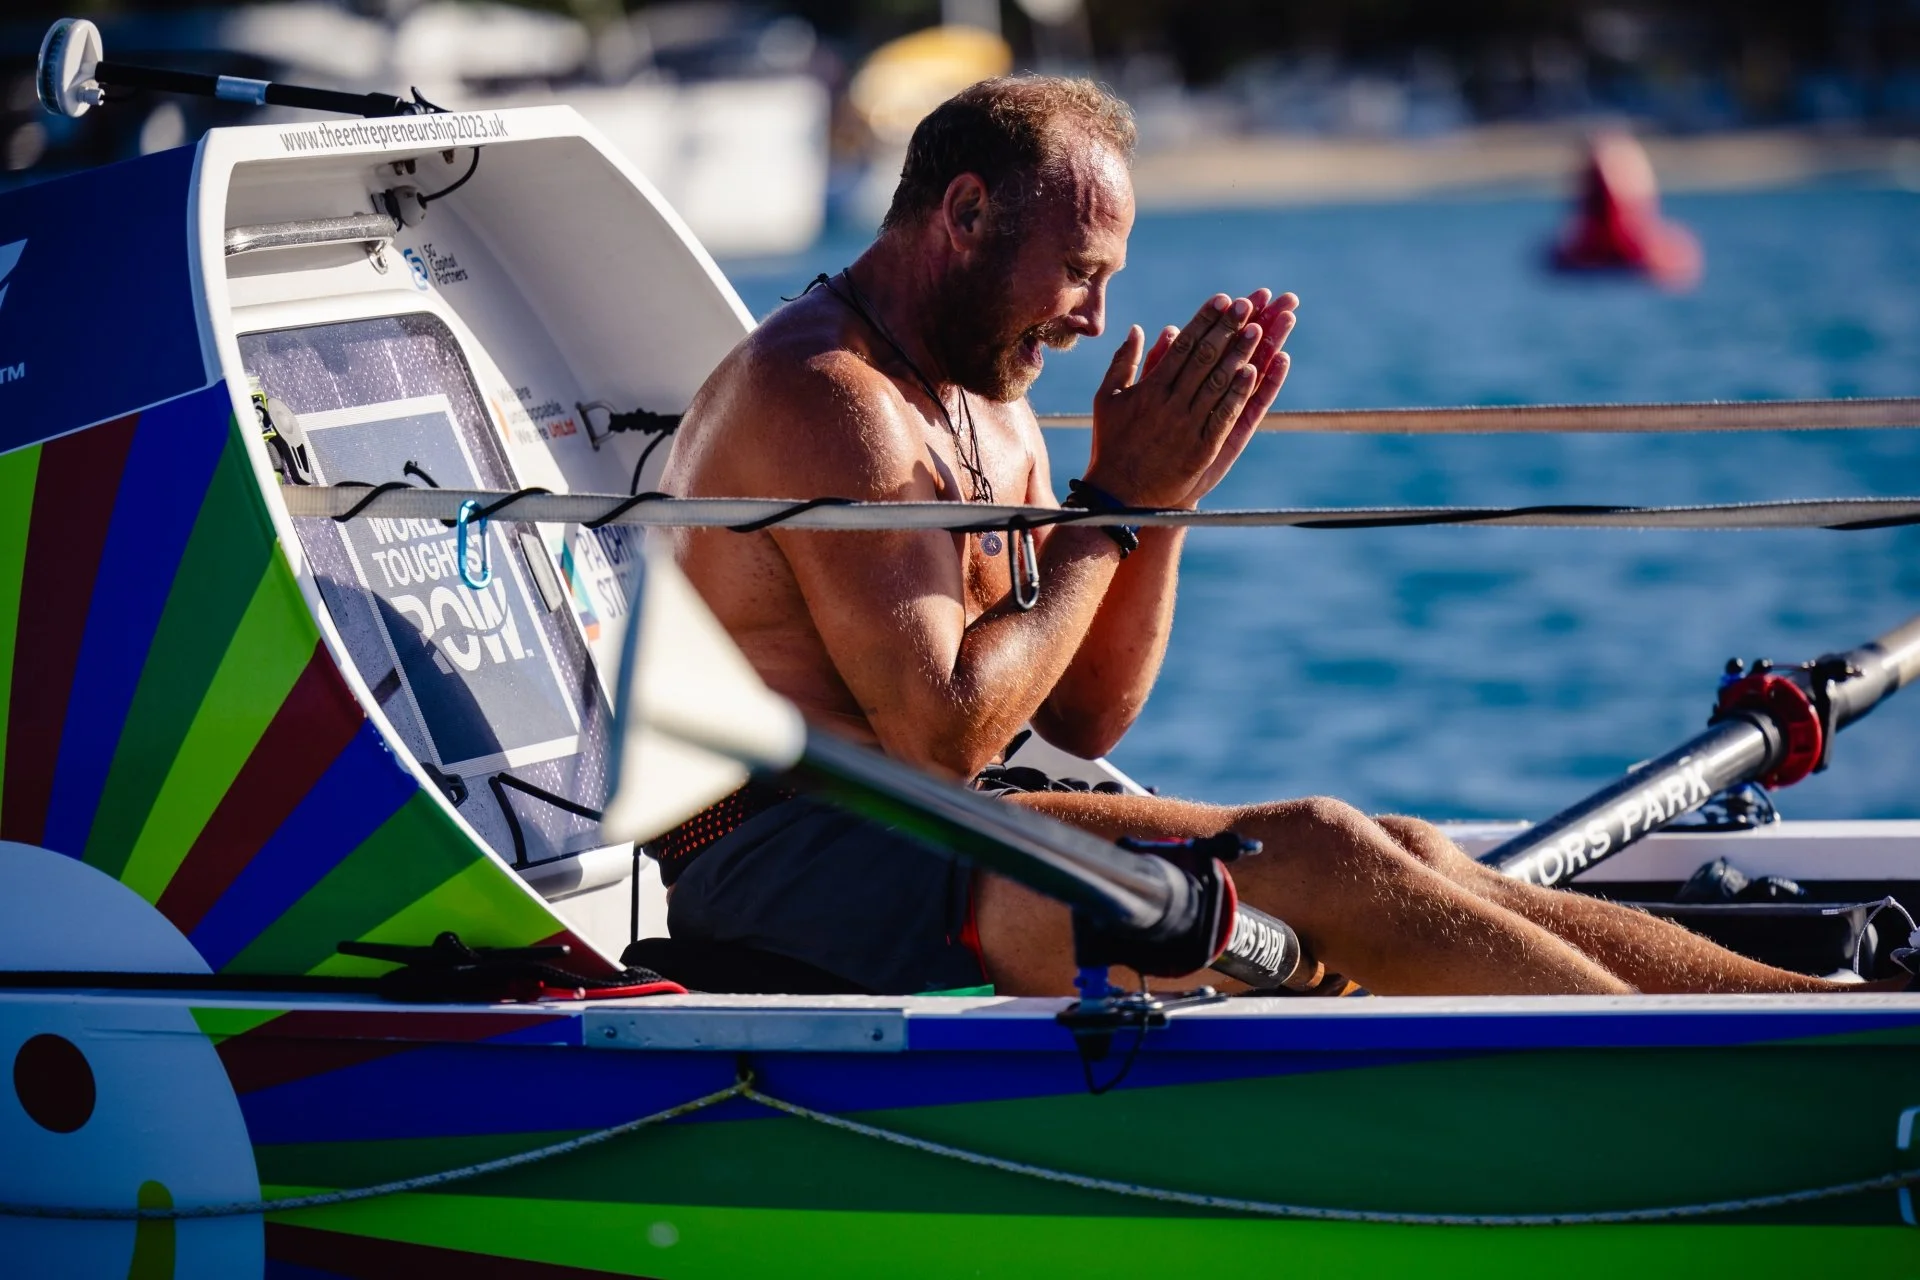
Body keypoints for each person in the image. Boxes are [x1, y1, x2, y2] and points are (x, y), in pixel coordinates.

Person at [655, 75, 1859, 998]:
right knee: (1326, 852)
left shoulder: (984, 395)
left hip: (940, 826)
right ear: (963, 213)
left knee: (1402, 848)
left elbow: (1077, 717)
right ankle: (1687, 1080)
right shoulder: (830, 394)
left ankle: (1817, 1015)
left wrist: (1158, 506)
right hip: (795, 861)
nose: (1095, 317)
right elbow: (937, 735)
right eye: (1079, 270)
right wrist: (1112, 508)